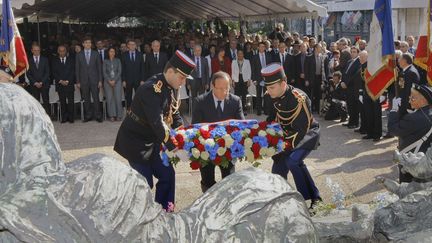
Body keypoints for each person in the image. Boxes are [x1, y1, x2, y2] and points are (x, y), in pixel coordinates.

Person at [114, 50, 196, 212]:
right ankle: (139, 217)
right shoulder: (150, 90)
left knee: (167, 175)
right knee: (144, 183)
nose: (183, 82)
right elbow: (157, 123)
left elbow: (174, 113)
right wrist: (175, 147)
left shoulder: (167, 85)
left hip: (153, 141)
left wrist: (184, 135)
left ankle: (165, 211)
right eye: (182, 77)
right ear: (171, 71)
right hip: (135, 143)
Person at [262, 63, 322, 214]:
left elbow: (301, 130)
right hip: (285, 136)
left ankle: (314, 199)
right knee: (277, 168)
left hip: (307, 133)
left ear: (283, 83)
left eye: (272, 88)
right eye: (267, 87)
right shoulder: (270, 95)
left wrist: (280, 146)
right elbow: (270, 120)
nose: (268, 91)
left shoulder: (299, 98)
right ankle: (281, 200)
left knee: (293, 161)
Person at [191, 71, 245, 192]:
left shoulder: (235, 101)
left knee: (230, 182)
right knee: (208, 182)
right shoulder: (200, 101)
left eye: (226, 88)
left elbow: (241, 125)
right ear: (212, 86)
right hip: (206, 149)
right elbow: (195, 127)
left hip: (228, 148)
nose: (224, 92)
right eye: (220, 88)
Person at [388, 83, 432, 183]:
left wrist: (394, 109)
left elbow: (393, 129)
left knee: (407, 188)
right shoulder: (426, 113)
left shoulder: (413, 118)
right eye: (409, 97)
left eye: (413, 98)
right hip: (426, 161)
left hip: (412, 162)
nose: (409, 100)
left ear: (422, 100)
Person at [75, 36, 103, 122]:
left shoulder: (96, 54)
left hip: (94, 80)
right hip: (83, 81)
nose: (88, 44)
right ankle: (88, 116)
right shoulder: (79, 55)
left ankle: (98, 116)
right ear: (83, 44)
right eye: (86, 43)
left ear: (91, 44)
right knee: (86, 99)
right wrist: (78, 81)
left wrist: (100, 80)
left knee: (96, 98)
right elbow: (77, 69)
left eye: (89, 43)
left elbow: (99, 68)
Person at [52, 45, 75, 123]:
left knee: (71, 101)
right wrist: (61, 81)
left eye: (63, 51)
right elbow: (54, 73)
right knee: (62, 102)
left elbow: (73, 72)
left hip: (69, 84)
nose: (62, 52)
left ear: (66, 51)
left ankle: (71, 117)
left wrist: (68, 81)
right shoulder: (54, 61)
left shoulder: (71, 60)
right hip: (60, 84)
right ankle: (64, 117)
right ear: (58, 52)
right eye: (60, 51)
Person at [27, 43, 51, 116]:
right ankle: (38, 117)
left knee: (46, 101)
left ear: (40, 50)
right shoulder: (29, 60)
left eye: (38, 50)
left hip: (44, 84)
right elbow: (28, 74)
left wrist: (41, 82)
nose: (37, 52)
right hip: (34, 85)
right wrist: (35, 83)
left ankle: (47, 117)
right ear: (32, 51)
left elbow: (47, 72)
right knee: (36, 102)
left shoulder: (45, 59)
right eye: (35, 50)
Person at [121, 39, 145, 110]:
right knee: (128, 96)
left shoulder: (140, 55)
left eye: (133, 44)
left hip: (138, 79)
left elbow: (142, 68)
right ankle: (129, 110)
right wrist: (123, 80)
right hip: (128, 80)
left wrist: (142, 79)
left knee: (138, 95)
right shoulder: (124, 55)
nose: (132, 46)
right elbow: (123, 69)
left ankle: (138, 110)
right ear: (128, 46)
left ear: (136, 46)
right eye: (130, 44)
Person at [103, 47, 123, 121]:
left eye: (113, 51)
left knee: (118, 98)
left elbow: (119, 71)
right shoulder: (105, 61)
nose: (112, 53)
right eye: (110, 51)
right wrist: (109, 81)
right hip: (107, 82)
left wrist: (114, 80)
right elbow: (104, 72)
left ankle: (119, 115)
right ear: (108, 53)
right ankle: (111, 115)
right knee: (110, 98)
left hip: (117, 81)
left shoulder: (118, 60)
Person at [231, 50, 251, 115]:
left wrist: (248, 80)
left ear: (243, 54)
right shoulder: (233, 62)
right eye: (238, 54)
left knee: (244, 95)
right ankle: (236, 110)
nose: (240, 55)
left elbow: (249, 71)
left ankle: (244, 110)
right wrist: (233, 81)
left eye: (241, 54)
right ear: (237, 54)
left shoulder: (247, 61)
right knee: (237, 95)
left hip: (244, 79)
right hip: (237, 78)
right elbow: (232, 72)